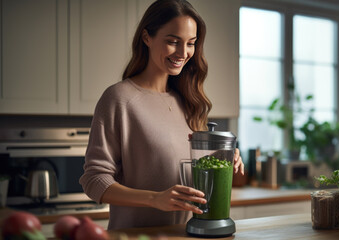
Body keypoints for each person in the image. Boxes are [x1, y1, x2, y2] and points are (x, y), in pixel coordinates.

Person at [79, 0, 244, 230]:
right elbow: (94, 180)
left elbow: (179, 164)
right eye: (173, 42)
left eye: (190, 43)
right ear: (147, 37)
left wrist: (221, 157)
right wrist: (155, 199)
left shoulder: (188, 101)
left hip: (186, 235)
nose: (183, 53)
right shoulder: (119, 99)